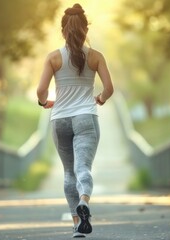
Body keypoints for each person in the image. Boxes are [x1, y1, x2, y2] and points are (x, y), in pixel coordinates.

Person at [36, 3, 114, 238]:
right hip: (86, 118)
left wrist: (46, 103)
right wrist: (99, 99)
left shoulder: (53, 58)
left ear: (63, 30)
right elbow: (109, 89)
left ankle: (77, 224)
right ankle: (84, 201)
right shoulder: (96, 56)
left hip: (59, 119)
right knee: (83, 168)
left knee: (69, 172)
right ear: (85, 29)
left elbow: (41, 91)